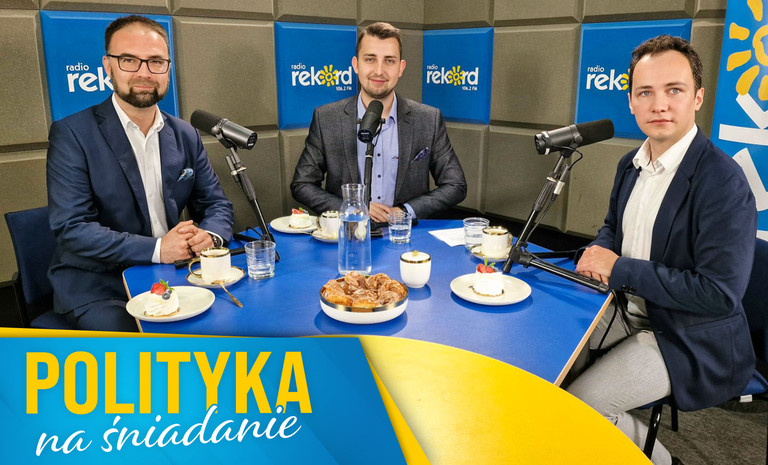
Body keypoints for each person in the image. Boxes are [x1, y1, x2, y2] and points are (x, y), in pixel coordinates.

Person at [568, 35, 757, 465]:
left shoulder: (723, 182)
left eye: (674, 90)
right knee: (551, 359)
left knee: (581, 406)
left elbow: (718, 293)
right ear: (631, 102)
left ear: (698, 98)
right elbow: (612, 229)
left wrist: (618, 268)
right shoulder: (630, 165)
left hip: (687, 334)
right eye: (645, 93)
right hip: (624, 308)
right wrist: (598, 252)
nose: (659, 105)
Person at [46, 15, 234, 331]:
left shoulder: (185, 134)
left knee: (232, 325)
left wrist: (210, 236)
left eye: (156, 62)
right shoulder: (72, 134)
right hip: (101, 286)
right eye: (129, 60)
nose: (144, 73)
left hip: (173, 275)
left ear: (168, 68)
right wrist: (158, 249)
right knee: (142, 345)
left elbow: (216, 204)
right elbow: (72, 228)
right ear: (108, 66)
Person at [290, 22, 467, 222]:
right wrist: (352, 208)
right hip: (349, 232)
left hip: (406, 235)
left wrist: (405, 212)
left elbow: (456, 185)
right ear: (356, 65)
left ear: (401, 68)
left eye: (389, 61)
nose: (379, 71)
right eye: (370, 59)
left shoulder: (428, 119)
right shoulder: (327, 118)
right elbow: (302, 184)